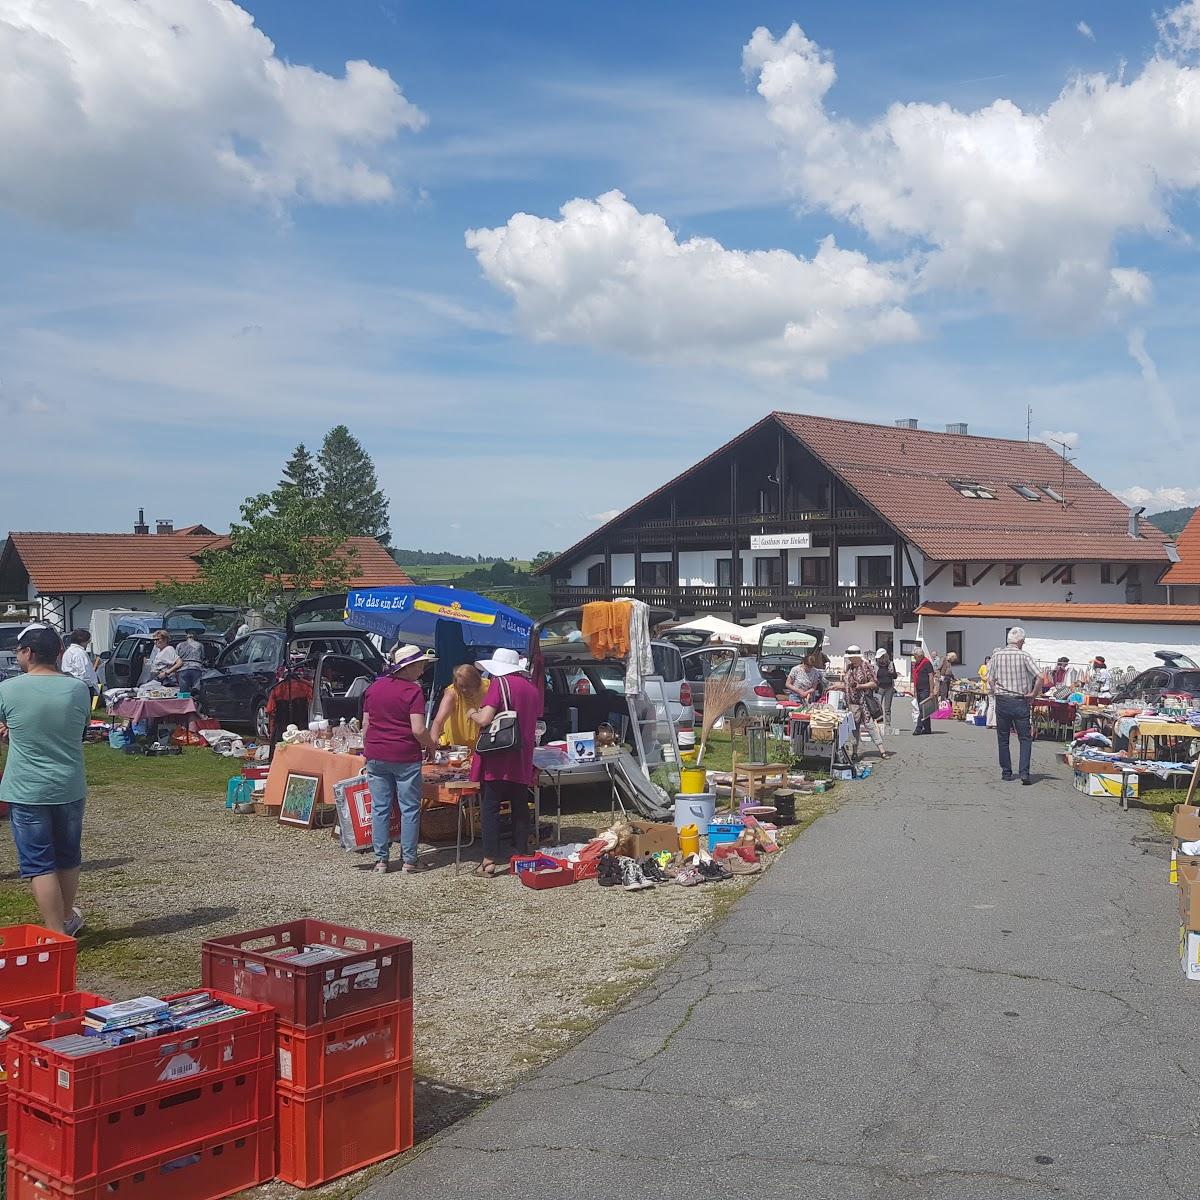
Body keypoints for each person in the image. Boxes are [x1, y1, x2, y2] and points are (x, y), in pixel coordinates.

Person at [0, 626, 88, 935]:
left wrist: (11, 734)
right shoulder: (78, 689)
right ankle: (65, 919)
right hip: (68, 783)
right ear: (59, 653)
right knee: (68, 856)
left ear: (28, 652)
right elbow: (75, 730)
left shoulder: (7, 689)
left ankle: (55, 932)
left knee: (39, 863)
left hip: (27, 787)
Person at [468, 648, 543, 878]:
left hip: (498, 754)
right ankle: (521, 855)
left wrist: (472, 713)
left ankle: (489, 861)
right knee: (520, 806)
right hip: (522, 754)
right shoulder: (531, 689)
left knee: (490, 806)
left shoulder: (499, 684)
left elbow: (485, 718)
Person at [362, 645, 437, 874]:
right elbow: (418, 729)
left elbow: (365, 725)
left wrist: (369, 748)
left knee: (380, 808)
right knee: (409, 808)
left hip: (376, 753)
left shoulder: (374, 688)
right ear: (409, 667)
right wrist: (430, 744)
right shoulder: (413, 691)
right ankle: (409, 860)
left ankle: (381, 860)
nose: (422, 671)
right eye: (420, 666)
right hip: (404, 755)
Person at [988, 626, 1047, 785]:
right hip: (1020, 700)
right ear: (1020, 641)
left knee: (1003, 738)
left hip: (1002, 700)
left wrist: (996, 692)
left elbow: (990, 679)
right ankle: (1024, 773)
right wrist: (1033, 694)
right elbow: (1041, 677)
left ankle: (1006, 772)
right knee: (1025, 738)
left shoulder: (997, 656)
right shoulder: (1024, 655)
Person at [833, 646, 890, 760]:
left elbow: (874, 683)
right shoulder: (849, 668)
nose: (850, 660)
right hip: (852, 703)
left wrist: (860, 686)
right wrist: (836, 686)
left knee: (870, 726)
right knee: (854, 728)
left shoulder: (866, 666)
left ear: (857, 657)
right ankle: (854, 752)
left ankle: (882, 750)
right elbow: (847, 685)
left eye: (851, 657)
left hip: (864, 702)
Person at [429, 663, 489, 751]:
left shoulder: (487, 686)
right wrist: (433, 741)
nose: (464, 689)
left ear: (476, 682)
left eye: (468, 686)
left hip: (481, 744)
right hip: (456, 748)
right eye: (461, 686)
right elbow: (438, 721)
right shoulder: (452, 693)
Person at [61, 630, 99, 705]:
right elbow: (84, 673)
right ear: (83, 641)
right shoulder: (80, 653)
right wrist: (92, 686)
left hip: (71, 685)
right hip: (83, 687)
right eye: (88, 640)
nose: (88, 643)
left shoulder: (68, 651)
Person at [911, 645, 936, 735]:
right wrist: (915, 690)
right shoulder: (917, 664)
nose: (914, 657)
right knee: (925, 709)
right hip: (919, 688)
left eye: (915, 656)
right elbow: (915, 677)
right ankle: (928, 729)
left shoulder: (926, 663)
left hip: (925, 689)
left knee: (922, 709)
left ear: (920, 655)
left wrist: (931, 691)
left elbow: (931, 677)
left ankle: (918, 728)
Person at [874, 648, 898, 734]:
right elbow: (873, 676)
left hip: (889, 688)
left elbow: (895, 676)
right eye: (878, 658)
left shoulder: (890, 664)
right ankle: (878, 724)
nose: (879, 659)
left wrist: (892, 673)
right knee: (878, 707)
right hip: (879, 687)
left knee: (887, 708)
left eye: (880, 658)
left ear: (884, 657)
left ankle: (888, 724)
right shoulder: (876, 665)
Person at [175, 628, 205, 695]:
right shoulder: (200, 645)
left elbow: (176, 658)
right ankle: (195, 696)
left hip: (183, 669)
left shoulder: (179, 645)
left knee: (184, 692)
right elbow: (202, 657)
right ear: (195, 636)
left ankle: (186, 699)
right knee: (197, 690)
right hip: (196, 668)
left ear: (187, 636)